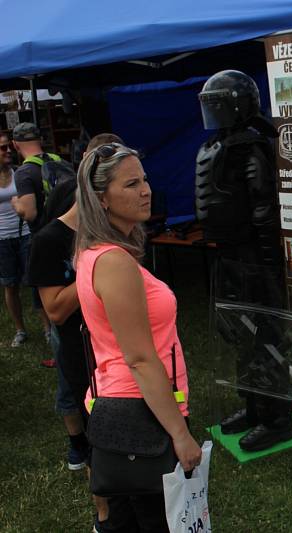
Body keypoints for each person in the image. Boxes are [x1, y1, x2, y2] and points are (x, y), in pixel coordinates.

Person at [75, 142, 201, 531]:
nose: (145, 190)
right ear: (102, 199)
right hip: (139, 411)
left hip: (124, 403)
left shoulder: (97, 252)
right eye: (131, 184)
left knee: (126, 520)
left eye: (144, 180)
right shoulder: (113, 262)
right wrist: (179, 434)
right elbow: (140, 358)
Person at [196, 70, 292, 451]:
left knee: (267, 336)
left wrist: (269, 271)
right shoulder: (218, 147)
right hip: (228, 256)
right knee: (239, 333)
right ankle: (254, 406)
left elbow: (264, 215)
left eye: (218, 103)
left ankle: (278, 418)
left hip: (253, 258)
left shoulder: (252, 150)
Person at [28, 133, 122, 526]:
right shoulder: (51, 241)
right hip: (82, 353)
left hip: (119, 350)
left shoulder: (116, 232)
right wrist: (94, 267)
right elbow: (54, 309)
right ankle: (104, 515)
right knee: (98, 439)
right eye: (128, 185)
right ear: (96, 192)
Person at [10, 122, 58, 357]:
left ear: (15, 144)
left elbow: (30, 213)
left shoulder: (24, 172)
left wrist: (16, 204)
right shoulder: (59, 161)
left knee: (46, 289)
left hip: (42, 239)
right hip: (66, 233)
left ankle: (53, 333)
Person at [0, 132, 29, 347]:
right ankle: (20, 330)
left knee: (38, 282)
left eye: (8, 146)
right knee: (10, 285)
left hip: (25, 233)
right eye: (2, 148)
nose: (8, 151)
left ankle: (48, 328)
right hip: (2, 238)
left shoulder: (19, 173)